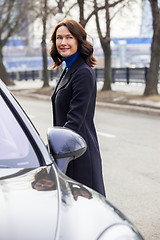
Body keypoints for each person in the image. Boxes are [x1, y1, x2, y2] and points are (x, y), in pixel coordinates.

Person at [50, 19, 106, 197]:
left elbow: (74, 121)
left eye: (69, 37)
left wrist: (55, 150)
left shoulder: (83, 72)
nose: (63, 42)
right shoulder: (69, 70)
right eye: (59, 38)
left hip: (79, 155)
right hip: (68, 153)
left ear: (79, 40)